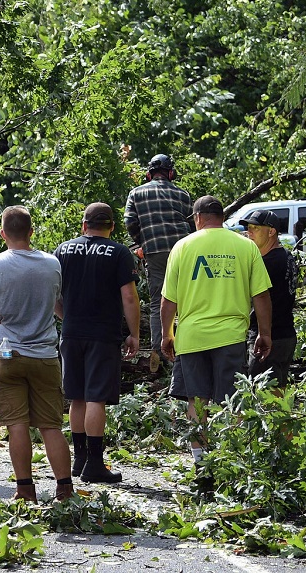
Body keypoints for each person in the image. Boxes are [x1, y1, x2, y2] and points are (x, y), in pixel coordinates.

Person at [0, 206, 73, 502]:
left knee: (17, 424)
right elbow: (58, 304)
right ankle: (65, 489)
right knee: (51, 426)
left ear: (2, 233)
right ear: (31, 232)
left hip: (6, 354)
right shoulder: (52, 263)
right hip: (45, 355)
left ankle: (25, 490)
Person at [161, 196, 271, 464]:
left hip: (192, 336)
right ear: (221, 217)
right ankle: (229, 457)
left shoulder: (182, 247)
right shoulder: (245, 247)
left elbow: (168, 300)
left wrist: (166, 334)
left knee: (196, 400)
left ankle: (200, 460)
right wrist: (264, 333)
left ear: (197, 218)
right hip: (230, 336)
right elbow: (262, 296)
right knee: (231, 399)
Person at [53, 203, 140, 483]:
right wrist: (134, 333)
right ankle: (94, 463)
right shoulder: (119, 252)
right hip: (103, 335)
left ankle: (79, 459)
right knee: (96, 398)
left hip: (71, 332)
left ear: (84, 225)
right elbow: (128, 297)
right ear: (112, 226)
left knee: (77, 396)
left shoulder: (63, 250)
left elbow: (51, 293)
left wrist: (67, 317)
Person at [124, 154, 193, 371]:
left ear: (148, 174)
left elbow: (130, 222)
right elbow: (192, 225)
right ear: (171, 173)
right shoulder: (182, 194)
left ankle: (160, 350)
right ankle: (186, 347)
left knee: (158, 300)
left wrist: (142, 242)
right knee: (184, 299)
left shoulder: (136, 193)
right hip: (183, 251)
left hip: (154, 251)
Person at [239, 210, 299, 388]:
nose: (249, 232)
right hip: (285, 335)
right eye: (248, 227)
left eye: (255, 228)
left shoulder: (266, 263)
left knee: (259, 395)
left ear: (271, 231)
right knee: (276, 394)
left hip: (267, 339)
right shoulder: (287, 256)